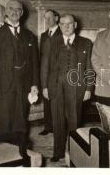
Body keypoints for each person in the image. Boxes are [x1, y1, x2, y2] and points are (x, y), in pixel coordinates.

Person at [0, 0, 40, 162]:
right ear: (6, 12)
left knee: (21, 122)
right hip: (3, 87)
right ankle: (3, 160)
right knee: (4, 123)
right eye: (11, 9)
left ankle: (21, 157)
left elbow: (35, 64)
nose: (15, 12)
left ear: (22, 13)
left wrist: (35, 85)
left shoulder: (29, 35)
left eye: (18, 9)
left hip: (24, 88)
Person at [40, 14, 94, 162]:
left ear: (75, 25)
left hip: (77, 88)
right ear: (60, 25)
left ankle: (74, 151)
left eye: (69, 23)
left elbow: (89, 67)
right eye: (63, 24)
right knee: (57, 120)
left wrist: (89, 88)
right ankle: (58, 152)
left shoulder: (86, 43)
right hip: (55, 87)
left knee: (74, 121)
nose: (66, 26)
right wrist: (44, 86)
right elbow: (44, 66)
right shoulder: (51, 42)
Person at [38, 9, 61, 136]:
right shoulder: (43, 35)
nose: (47, 21)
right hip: (46, 73)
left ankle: (59, 127)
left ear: (56, 18)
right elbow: (42, 56)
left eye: (49, 18)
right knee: (47, 99)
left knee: (58, 101)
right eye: (45, 18)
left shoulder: (63, 32)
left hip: (58, 73)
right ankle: (48, 126)